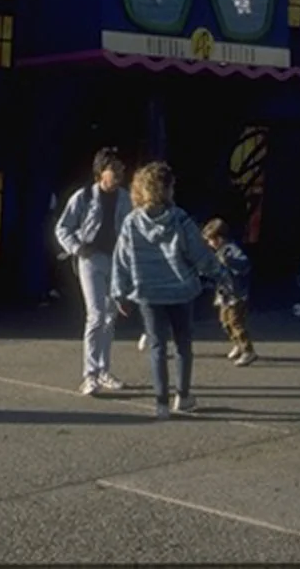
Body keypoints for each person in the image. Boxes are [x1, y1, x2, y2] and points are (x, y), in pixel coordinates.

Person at [109, 161, 226, 420]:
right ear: (166, 189)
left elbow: (121, 259)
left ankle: (160, 403)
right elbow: (198, 253)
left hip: (147, 292)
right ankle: (182, 396)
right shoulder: (180, 219)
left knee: (157, 346)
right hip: (180, 290)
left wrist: (120, 292)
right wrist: (218, 273)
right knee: (183, 344)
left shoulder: (131, 222)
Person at [54, 147, 132, 395]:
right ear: (101, 172)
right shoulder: (84, 196)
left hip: (115, 260)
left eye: (121, 169)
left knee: (110, 317)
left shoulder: (125, 198)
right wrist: (76, 248)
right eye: (114, 169)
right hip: (91, 259)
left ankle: (103, 370)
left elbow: (131, 230)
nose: (119, 174)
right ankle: (89, 375)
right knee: (96, 315)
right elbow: (63, 227)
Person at [202, 218, 257, 366]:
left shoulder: (231, 250)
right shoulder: (219, 251)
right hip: (225, 293)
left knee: (236, 322)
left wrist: (229, 262)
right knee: (225, 321)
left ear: (219, 238)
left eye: (210, 240)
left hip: (236, 294)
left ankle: (248, 350)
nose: (209, 244)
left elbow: (245, 265)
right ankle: (237, 344)